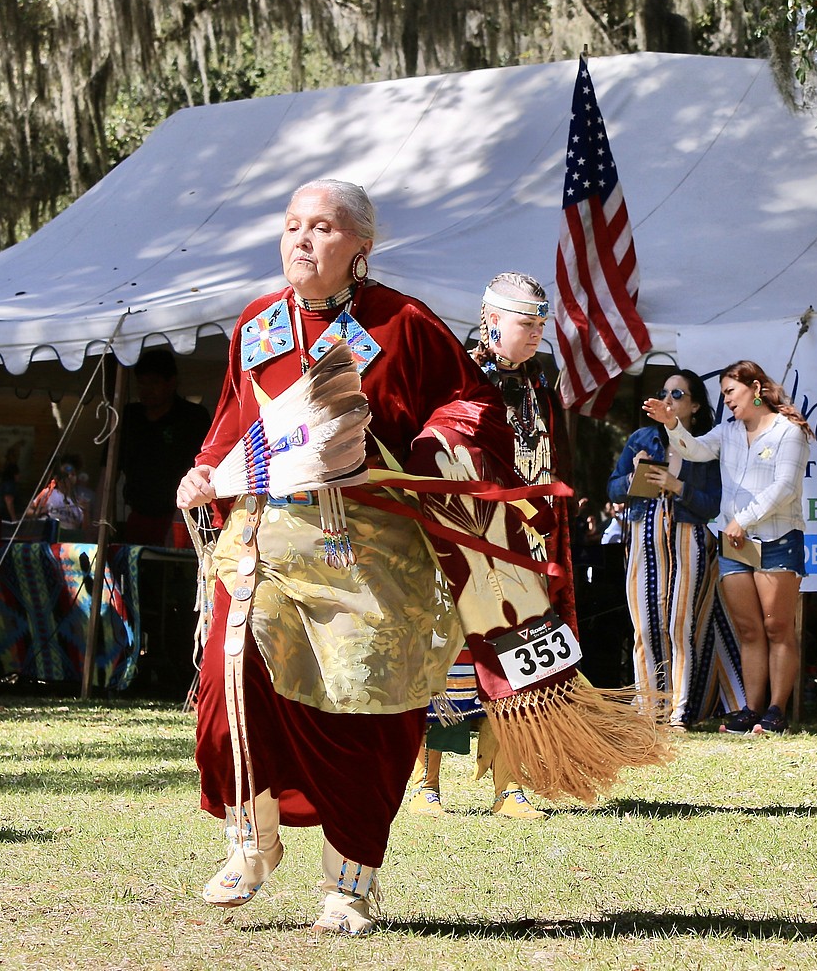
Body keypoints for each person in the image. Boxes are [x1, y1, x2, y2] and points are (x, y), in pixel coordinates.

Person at [176, 179, 511, 934]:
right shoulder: (258, 323)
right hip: (264, 537)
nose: (302, 239)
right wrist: (206, 469)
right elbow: (235, 420)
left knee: (365, 711)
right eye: (292, 224)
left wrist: (431, 446)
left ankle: (349, 885)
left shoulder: (404, 324)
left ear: (361, 246)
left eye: (323, 227)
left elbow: (473, 408)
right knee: (231, 673)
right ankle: (251, 840)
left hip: (371, 552)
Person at [408, 272, 566, 822]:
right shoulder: (458, 378)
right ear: (492, 320)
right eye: (527, 323)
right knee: (450, 657)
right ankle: (427, 785)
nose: (537, 334)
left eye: (542, 324)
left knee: (519, 656)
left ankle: (510, 786)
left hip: (523, 539)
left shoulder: (541, 384)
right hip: (462, 537)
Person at [643, 360, 811, 736]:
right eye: (723, 395)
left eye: (731, 392)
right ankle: (751, 710)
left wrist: (743, 519)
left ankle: (776, 712)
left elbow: (784, 488)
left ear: (754, 388)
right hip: (735, 542)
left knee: (777, 626)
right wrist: (672, 425)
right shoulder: (729, 432)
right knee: (749, 630)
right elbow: (694, 450)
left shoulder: (789, 431)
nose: (727, 401)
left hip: (777, 539)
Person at [610, 370, 742, 726]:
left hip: (687, 539)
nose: (668, 399)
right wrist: (632, 476)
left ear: (695, 406)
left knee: (679, 625)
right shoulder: (642, 439)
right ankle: (648, 710)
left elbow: (711, 504)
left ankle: (679, 710)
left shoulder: (706, 445)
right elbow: (614, 491)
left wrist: (676, 485)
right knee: (645, 627)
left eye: (678, 394)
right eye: (663, 392)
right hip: (643, 537)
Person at [118, 348, 211, 547]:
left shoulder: (192, 417)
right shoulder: (129, 417)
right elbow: (107, 470)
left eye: (153, 383)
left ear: (171, 382)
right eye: (141, 383)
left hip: (182, 515)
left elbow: (204, 467)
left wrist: (179, 518)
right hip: (137, 514)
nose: (146, 390)